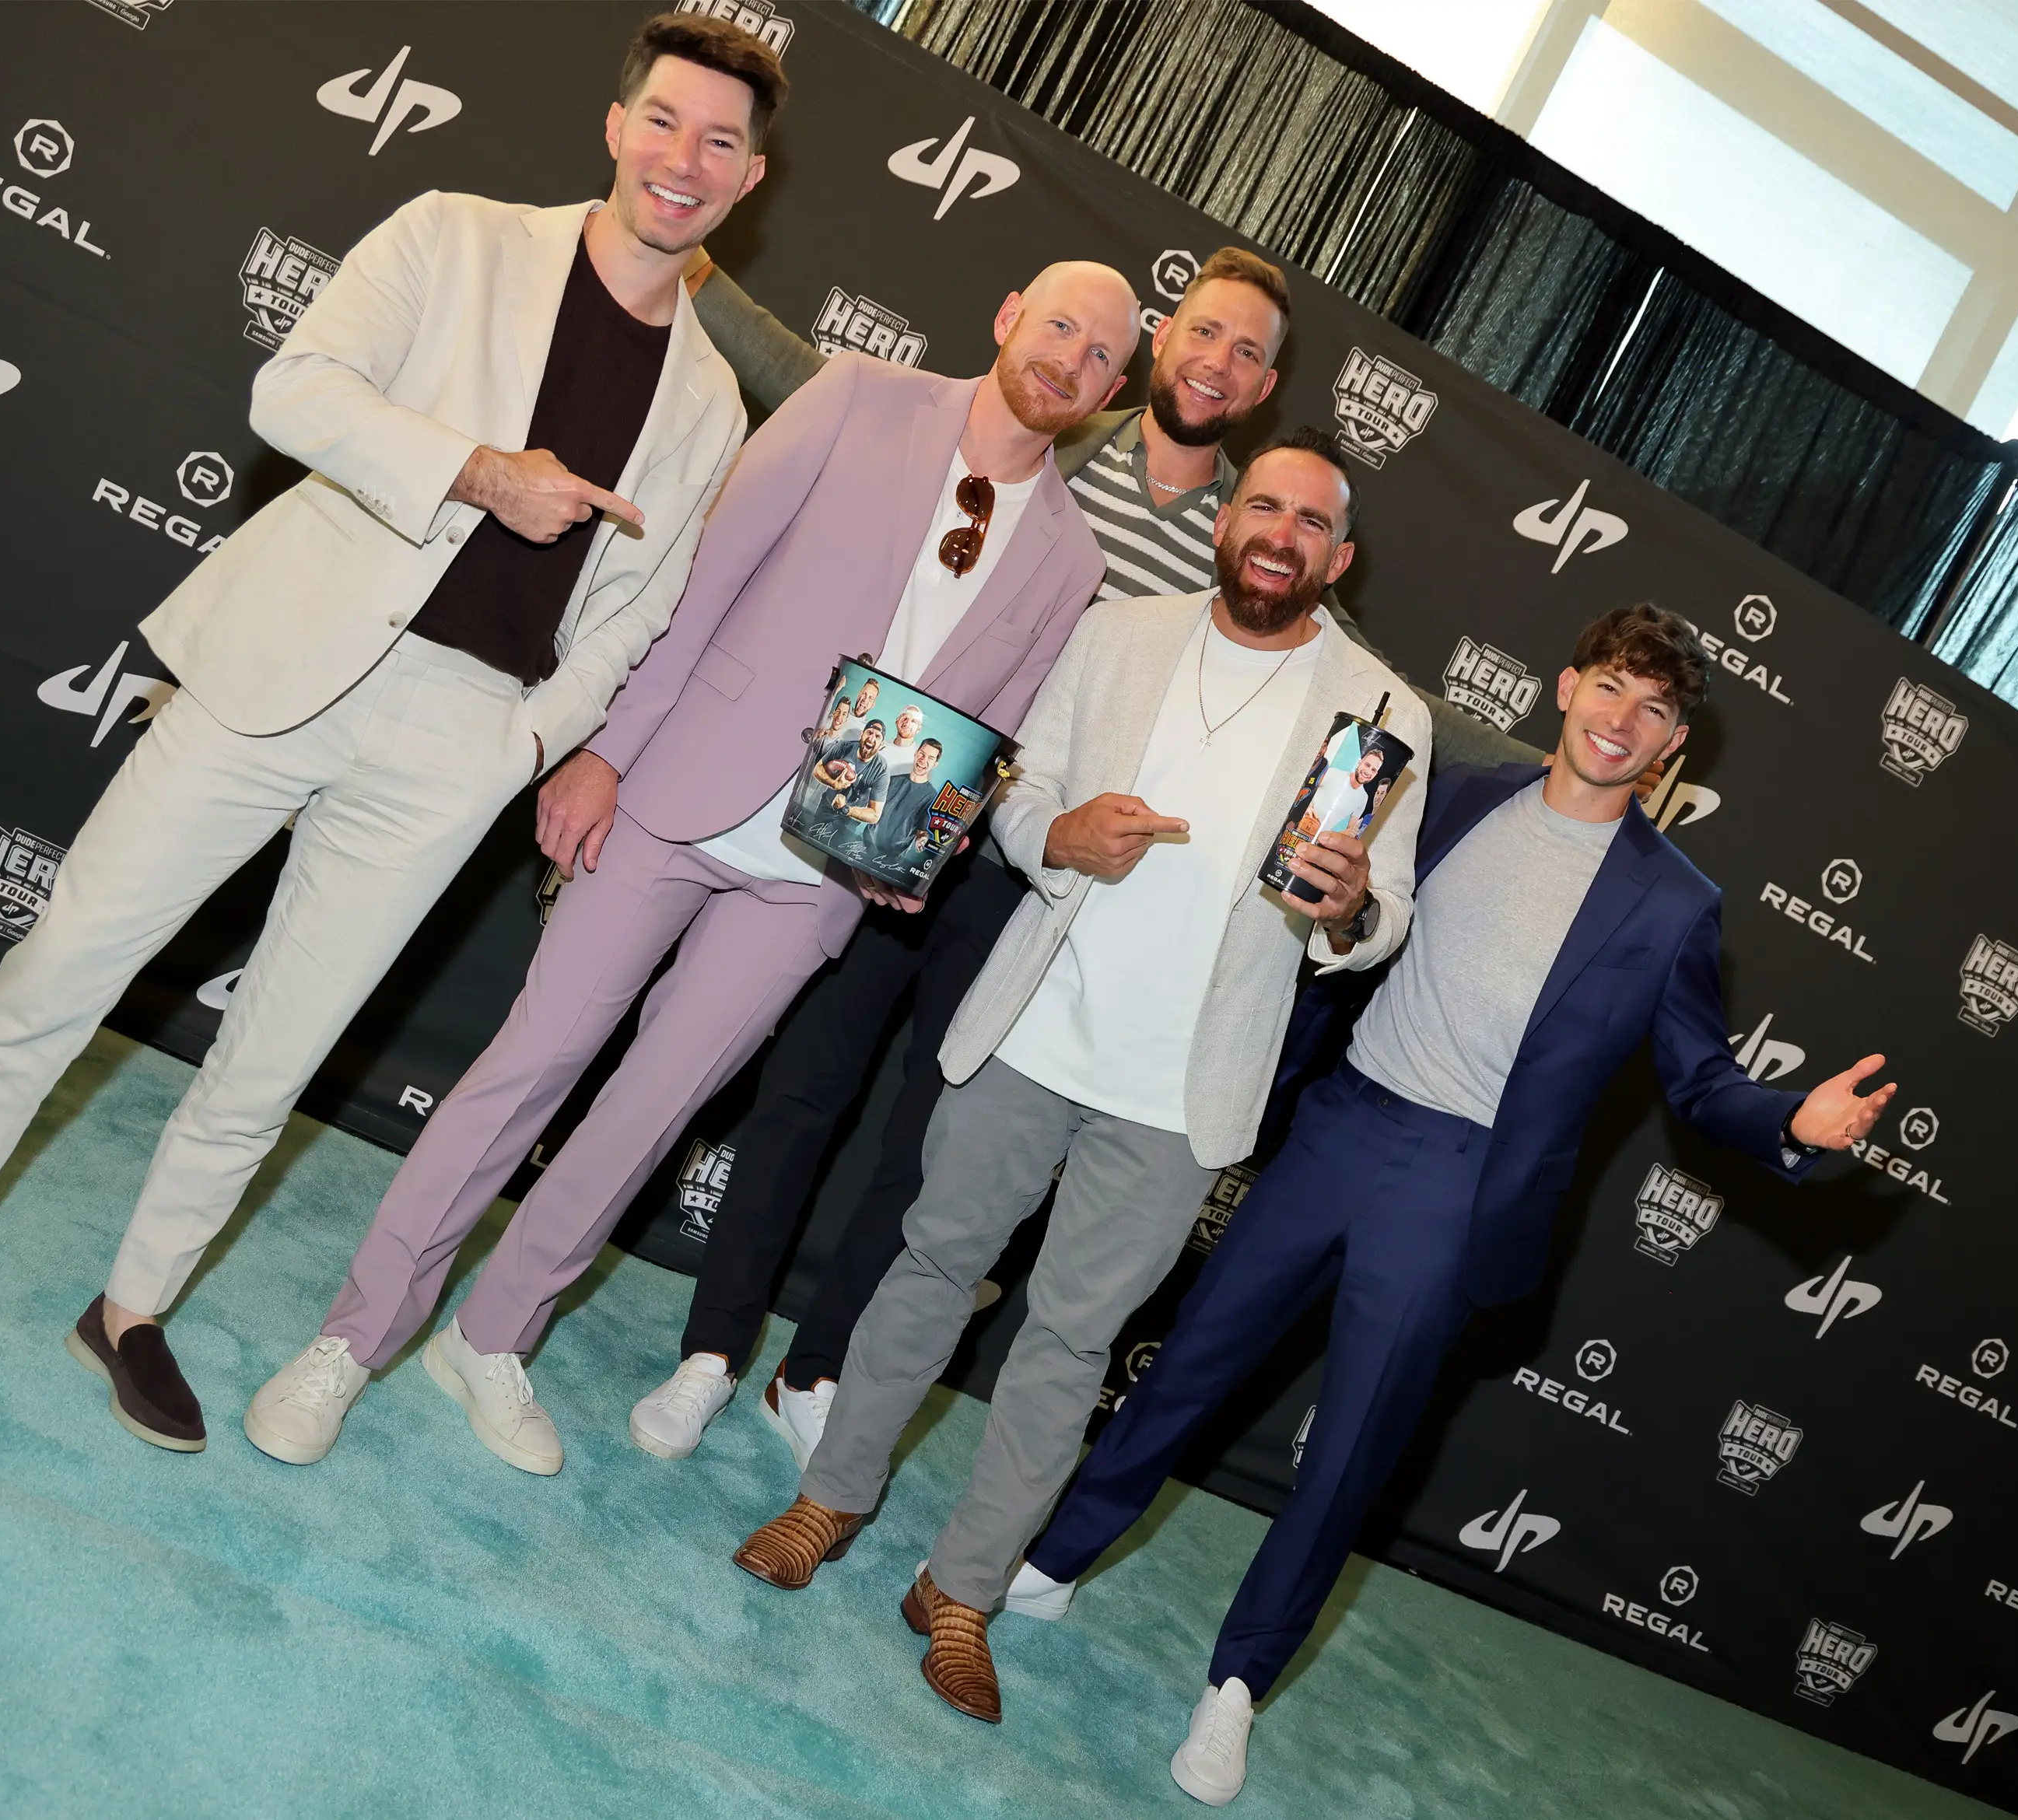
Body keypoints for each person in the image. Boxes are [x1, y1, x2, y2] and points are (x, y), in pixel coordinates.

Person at [0, 12, 781, 1450]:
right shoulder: (459, 234)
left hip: (458, 741)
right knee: (62, 968)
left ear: (750, 177)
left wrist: (522, 746)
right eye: (664, 120)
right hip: (284, 664)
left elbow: (639, 611)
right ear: (617, 127)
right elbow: (291, 393)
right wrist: (478, 472)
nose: (685, 157)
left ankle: (133, 1309)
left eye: (721, 141)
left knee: (272, 1060)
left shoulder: (712, 402)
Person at [243, 261, 1141, 1473]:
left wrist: (921, 844)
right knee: (532, 1062)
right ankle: (355, 1338)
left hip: (823, 873)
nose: (1070, 358)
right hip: (675, 789)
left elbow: (994, 730)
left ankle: (494, 1334)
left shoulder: (1074, 558)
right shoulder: (858, 395)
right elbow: (701, 573)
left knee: (651, 1113)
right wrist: (607, 750)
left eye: (1100, 353)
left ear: (1111, 390)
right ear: (1008, 315)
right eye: (1060, 325)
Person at [657, 248, 1537, 1474]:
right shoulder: (1052, 434)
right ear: (1162, 339)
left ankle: (816, 1372)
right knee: (805, 1085)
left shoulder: (1256, 535)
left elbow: (1389, 692)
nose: (1218, 363)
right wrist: (704, 286)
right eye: (1206, 333)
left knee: (930, 1143)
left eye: (1247, 354)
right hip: (913, 806)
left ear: (1262, 388)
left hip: (1039, 881)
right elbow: (829, 388)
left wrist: (1573, 763)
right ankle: (710, 1351)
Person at [1014, 603, 1897, 1806]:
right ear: (1566, 687)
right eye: (1609, 687)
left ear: (1672, 746)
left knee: (1348, 1455)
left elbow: (1700, 1081)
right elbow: (1347, 927)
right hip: (1342, 1124)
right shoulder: (1454, 796)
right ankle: (1057, 1557)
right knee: (1187, 1367)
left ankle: (1236, 1686)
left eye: (1653, 710)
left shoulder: (1673, 903)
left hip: (1461, 1185)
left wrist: (1791, 1123)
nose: (1622, 720)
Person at [730, 431, 1434, 1727]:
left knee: (1069, 1344)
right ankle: (830, 1498)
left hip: (1181, 1090)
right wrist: (1056, 832)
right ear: (1227, 522)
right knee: (931, 1266)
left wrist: (1346, 911)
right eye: (1263, 506)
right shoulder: (1120, 632)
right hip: (1036, 1029)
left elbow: (1382, 918)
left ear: (1341, 558)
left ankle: (962, 1591)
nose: (1279, 534)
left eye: (1311, 522)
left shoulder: (1388, 712)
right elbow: (1018, 795)